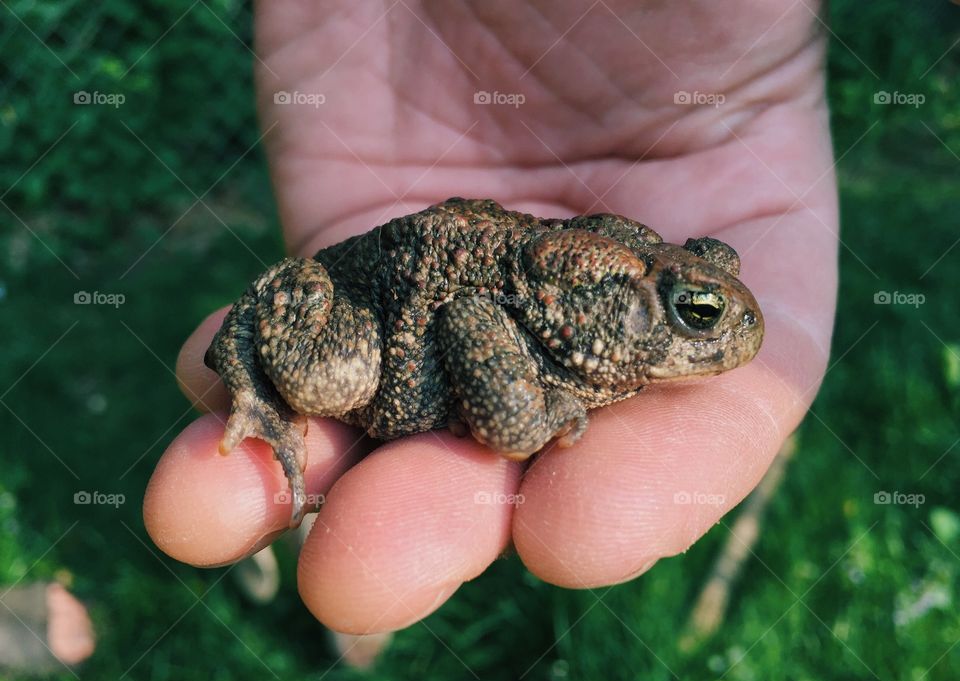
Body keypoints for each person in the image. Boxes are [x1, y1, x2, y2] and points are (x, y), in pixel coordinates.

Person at [144, 0, 837, 636]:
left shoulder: (594, 313)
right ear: (631, 312)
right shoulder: (583, 310)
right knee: (317, 379)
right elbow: (474, 312)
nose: (726, 326)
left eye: (708, 304)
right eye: (701, 314)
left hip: (475, 264)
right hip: (382, 304)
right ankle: (247, 366)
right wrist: (522, 421)